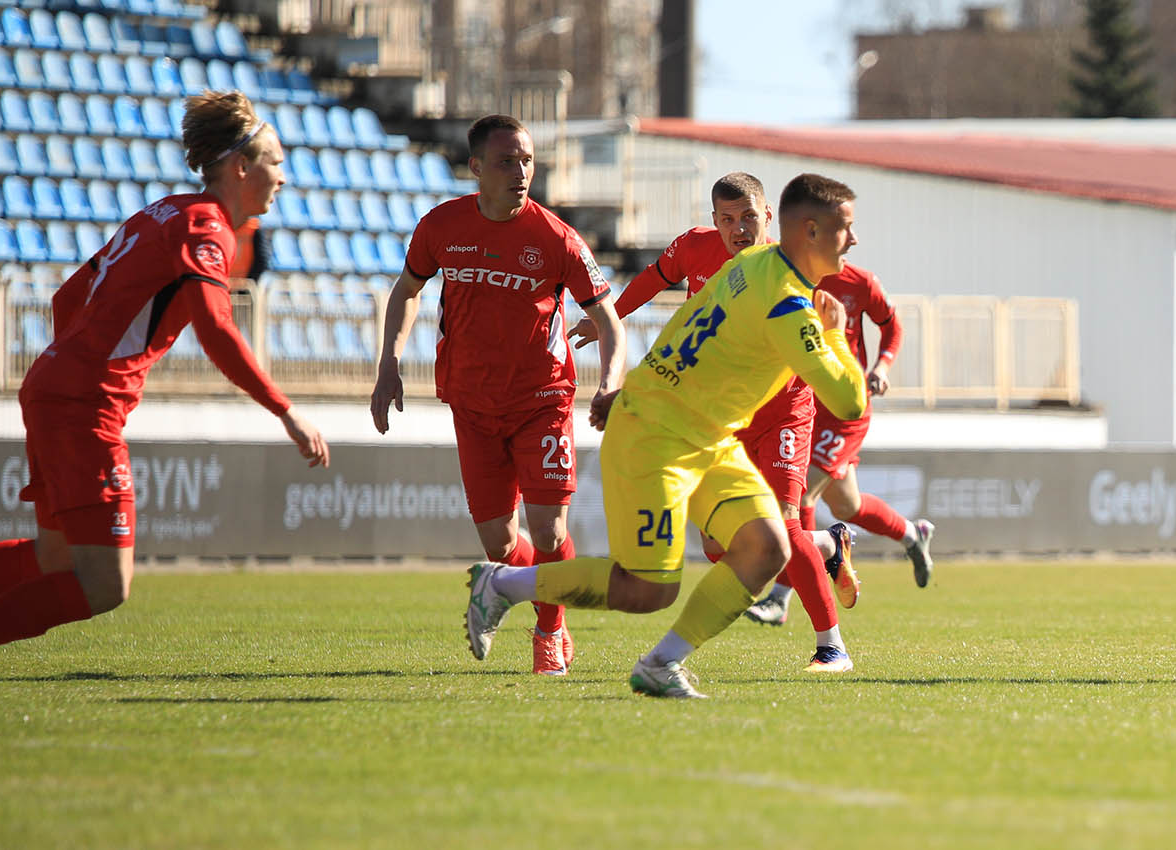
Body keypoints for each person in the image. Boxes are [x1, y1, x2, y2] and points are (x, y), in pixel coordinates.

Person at [0, 91, 331, 703]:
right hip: (84, 404)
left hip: (54, 387)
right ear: (240, 165)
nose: (283, 176)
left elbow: (66, 300)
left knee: (58, 555)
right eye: (275, 160)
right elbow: (216, 328)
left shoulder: (162, 212)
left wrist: (81, 364)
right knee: (104, 584)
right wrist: (286, 411)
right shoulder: (206, 225)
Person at [463, 172, 869, 698]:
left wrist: (634, 383)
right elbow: (850, 400)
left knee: (766, 547)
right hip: (658, 436)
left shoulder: (751, 264)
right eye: (846, 228)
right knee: (649, 589)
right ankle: (501, 584)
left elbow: (686, 326)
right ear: (810, 232)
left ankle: (662, 663)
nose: (853, 240)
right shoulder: (790, 305)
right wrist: (834, 335)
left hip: (705, 435)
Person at [574, 172, 860, 672]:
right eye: (727, 220)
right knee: (716, 546)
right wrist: (605, 319)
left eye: (749, 216)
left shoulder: (799, 268)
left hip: (786, 412)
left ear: (768, 217)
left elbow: (827, 347)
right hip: (721, 417)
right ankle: (827, 544)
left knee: (785, 527)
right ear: (714, 223)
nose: (740, 229)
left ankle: (831, 646)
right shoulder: (695, 250)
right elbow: (651, 281)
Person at [370, 115, 625, 677]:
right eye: (508, 161)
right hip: (472, 402)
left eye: (528, 160)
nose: (521, 171)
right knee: (499, 543)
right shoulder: (441, 226)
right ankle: (512, 585)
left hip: (542, 400)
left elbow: (607, 317)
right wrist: (389, 361)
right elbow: (408, 289)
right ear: (477, 168)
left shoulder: (556, 237)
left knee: (549, 530)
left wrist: (611, 380)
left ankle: (550, 634)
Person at [746, 260, 934, 627]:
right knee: (847, 505)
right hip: (801, 404)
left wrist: (882, 366)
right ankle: (913, 534)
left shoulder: (860, 282)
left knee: (800, 498)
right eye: (842, 230)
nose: (851, 240)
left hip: (844, 408)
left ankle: (780, 598)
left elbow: (892, 326)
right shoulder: (784, 273)